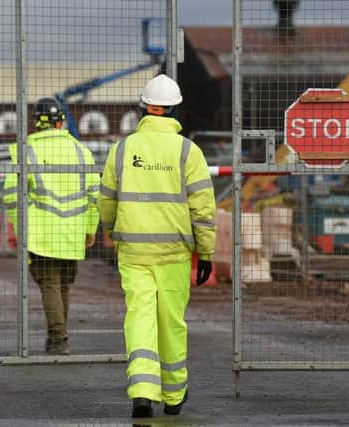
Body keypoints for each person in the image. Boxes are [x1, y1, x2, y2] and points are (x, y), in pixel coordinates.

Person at [98, 74, 216, 418]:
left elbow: (106, 200)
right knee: (172, 322)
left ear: (143, 109)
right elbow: (203, 209)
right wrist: (205, 252)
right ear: (175, 110)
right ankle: (175, 394)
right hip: (175, 255)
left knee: (139, 318)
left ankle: (142, 391)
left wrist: (111, 229)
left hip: (133, 254)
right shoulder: (188, 152)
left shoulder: (122, 149)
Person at [2, 97, 100, 355]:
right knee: (63, 285)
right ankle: (59, 337)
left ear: (36, 123)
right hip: (73, 232)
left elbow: (12, 196)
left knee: (50, 285)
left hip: (41, 234)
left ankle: (58, 339)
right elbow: (94, 195)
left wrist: (20, 228)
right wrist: (90, 228)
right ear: (61, 122)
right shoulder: (81, 151)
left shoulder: (27, 151)